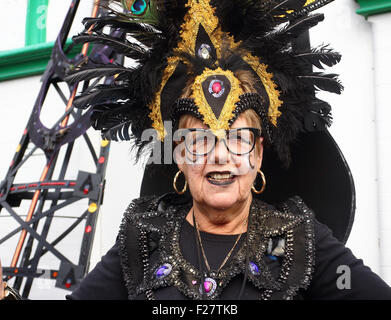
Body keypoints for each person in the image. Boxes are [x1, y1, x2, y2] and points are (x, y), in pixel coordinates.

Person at [1, 0, 391, 300]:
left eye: (238, 138)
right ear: (179, 154)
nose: (220, 156)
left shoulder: (296, 239)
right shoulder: (143, 238)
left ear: (257, 154)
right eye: (200, 139)